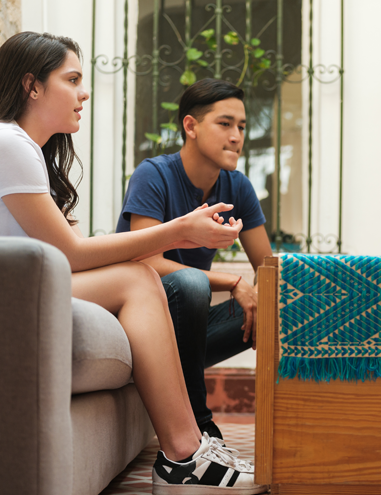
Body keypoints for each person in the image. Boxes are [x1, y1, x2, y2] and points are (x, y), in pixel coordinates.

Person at [0, 31, 267, 495]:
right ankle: (184, 454)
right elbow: (74, 256)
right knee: (140, 281)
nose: (84, 93)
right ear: (31, 86)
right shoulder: (4, 143)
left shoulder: (24, 151)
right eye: (73, 78)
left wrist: (175, 233)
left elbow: (79, 254)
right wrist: (181, 229)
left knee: (140, 276)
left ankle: (188, 450)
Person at [116, 78, 272, 441]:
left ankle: (284, 430)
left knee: (274, 304)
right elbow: (146, 262)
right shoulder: (153, 175)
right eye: (225, 123)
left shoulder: (238, 187)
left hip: (190, 327)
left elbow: (269, 267)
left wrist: (260, 299)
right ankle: (200, 429)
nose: (237, 136)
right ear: (191, 126)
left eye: (242, 126)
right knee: (191, 282)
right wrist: (233, 282)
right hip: (142, 320)